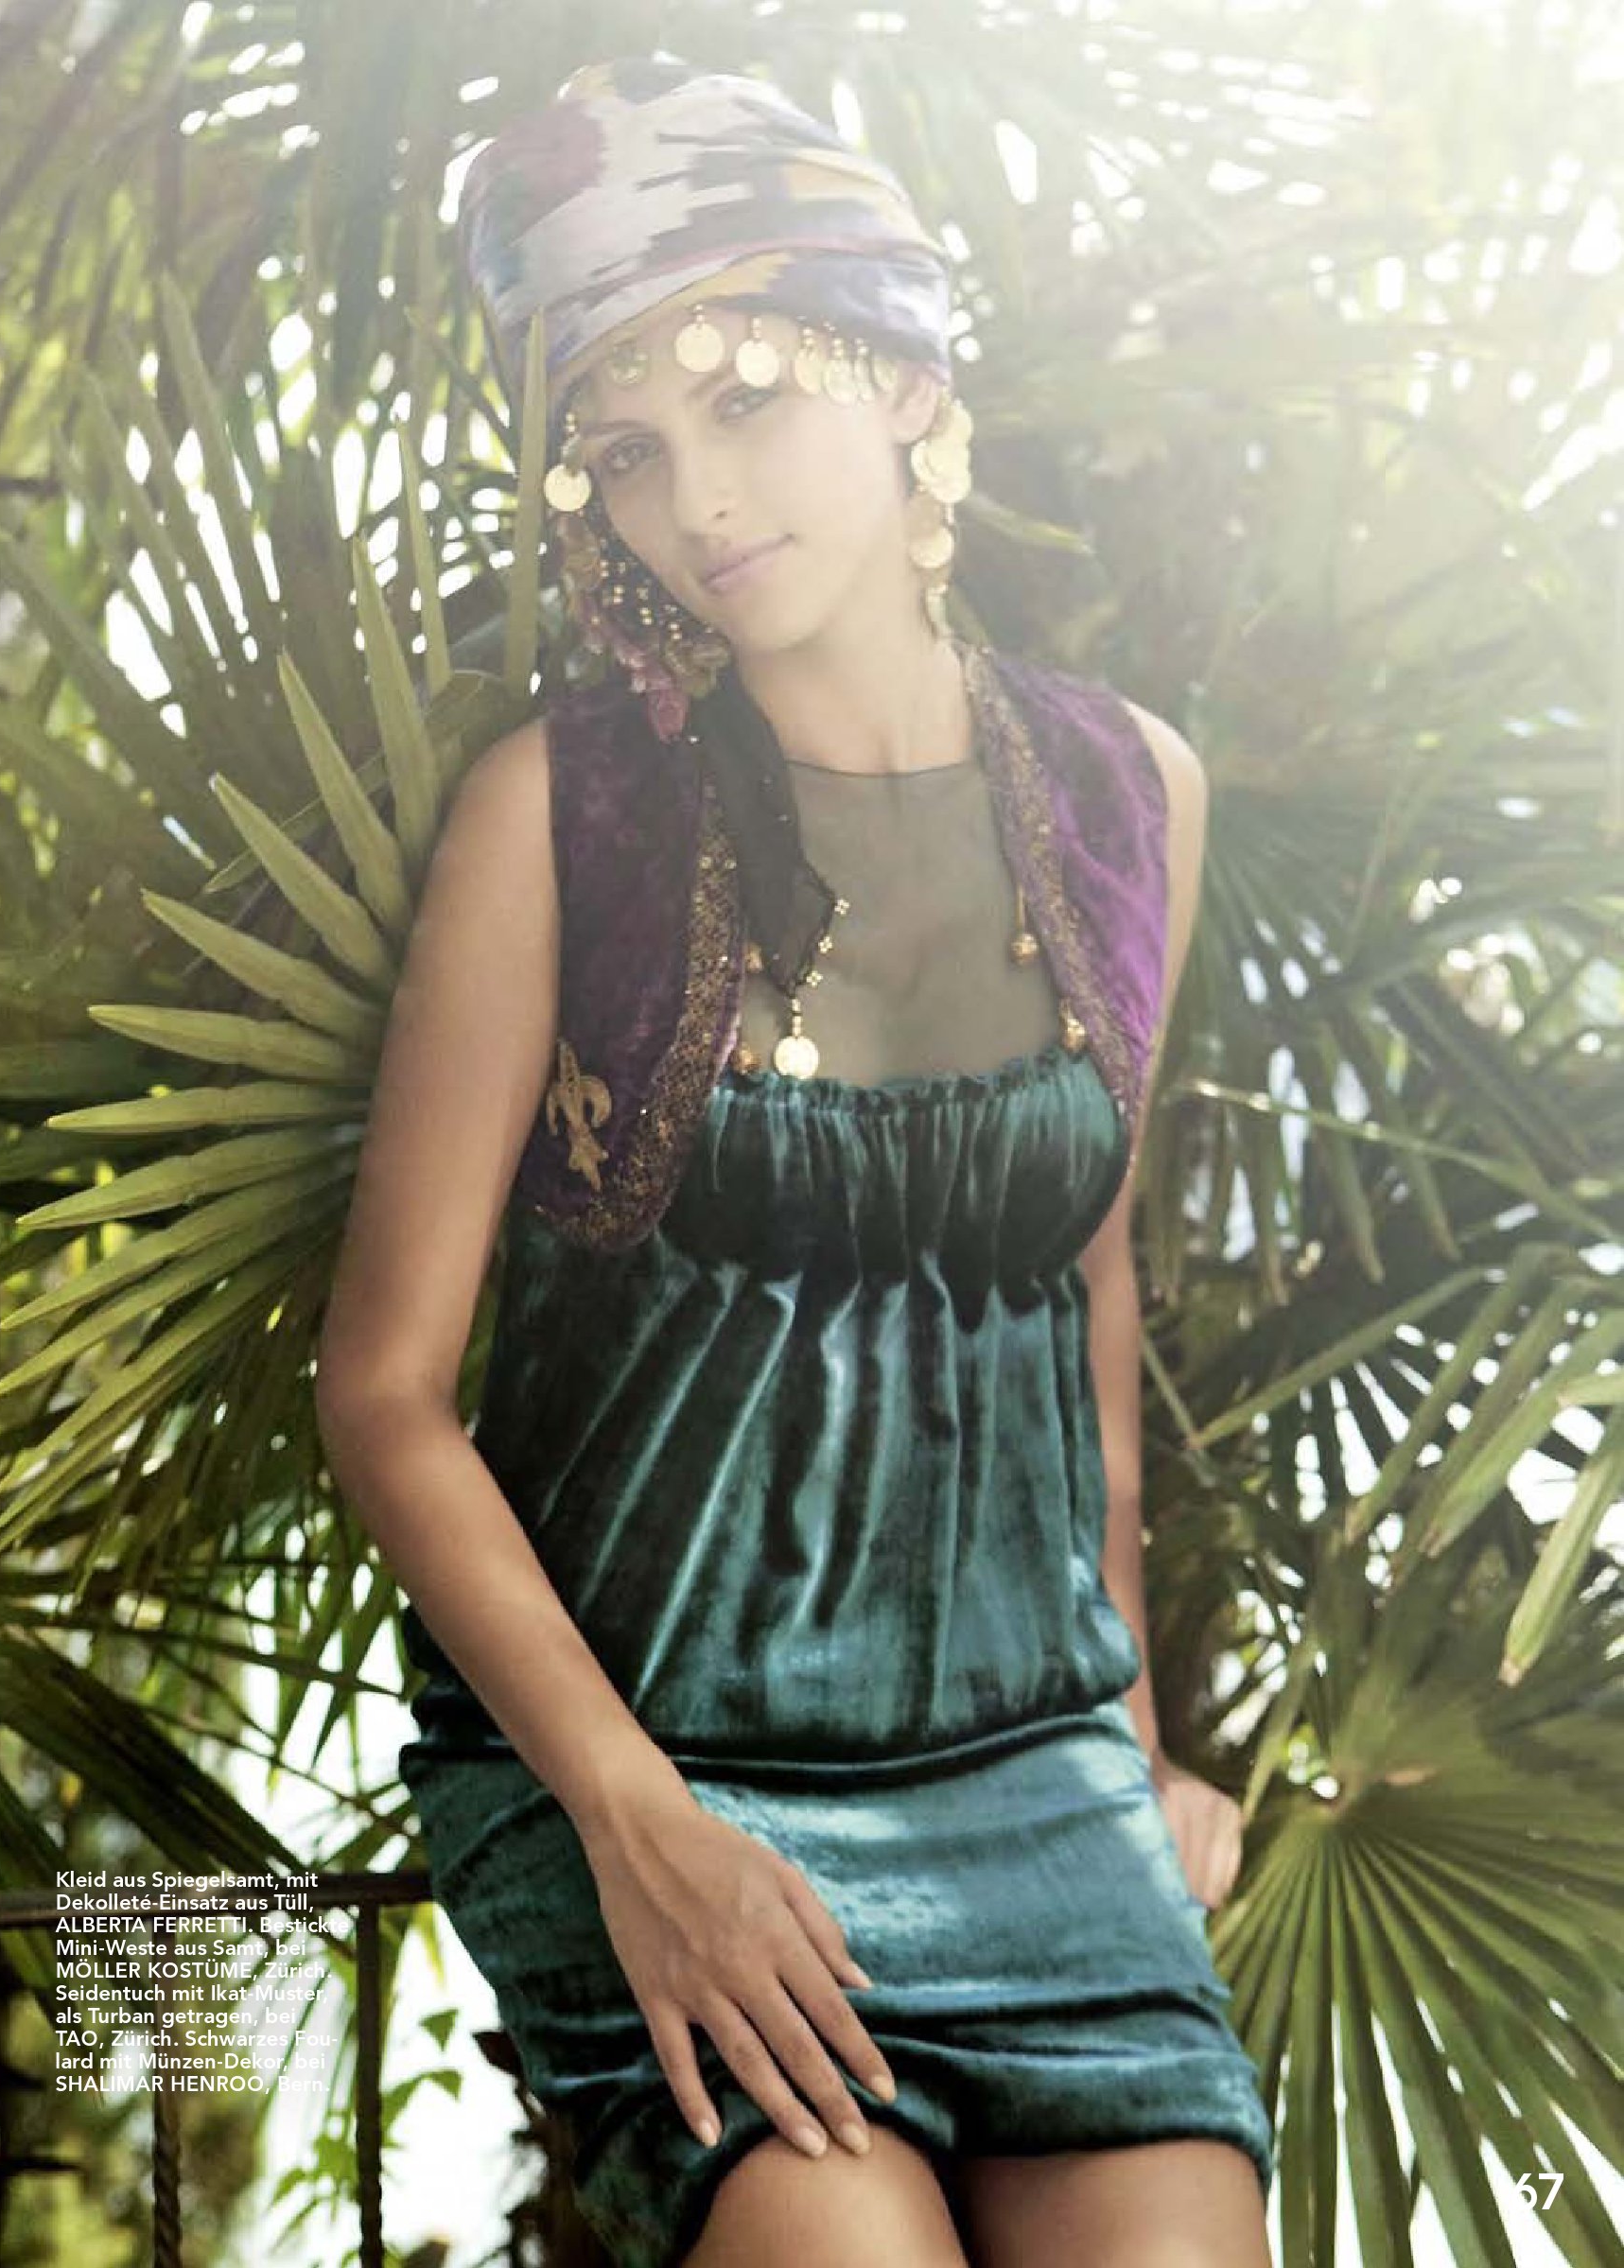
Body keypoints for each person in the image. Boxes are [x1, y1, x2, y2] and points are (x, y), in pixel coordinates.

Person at [313, 54, 1275, 2268]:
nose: (695, 501)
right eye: (629, 451)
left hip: (1029, 1764)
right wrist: (634, 1822)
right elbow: (382, 1389)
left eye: (745, 401)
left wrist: (1132, 1737)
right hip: (653, 1765)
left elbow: (1078, 1295)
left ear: (907, 383)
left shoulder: (1128, 790)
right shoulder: (560, 817)